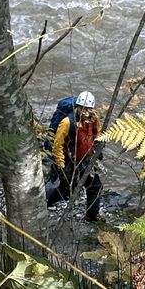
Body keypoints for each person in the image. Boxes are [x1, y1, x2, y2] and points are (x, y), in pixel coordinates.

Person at [45, 90, 103, 222]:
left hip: (86, 159)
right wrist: (61, 165)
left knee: (95, 186)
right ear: (77, 107)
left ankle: (91, 216)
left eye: (88, 109)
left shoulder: (93, 119)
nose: (85, 112)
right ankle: (44, 203)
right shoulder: (67, 123)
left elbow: (97, 134)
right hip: (68, 160)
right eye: (82, 108)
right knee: (65, 190)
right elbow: (57, 145)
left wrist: (98, 150)